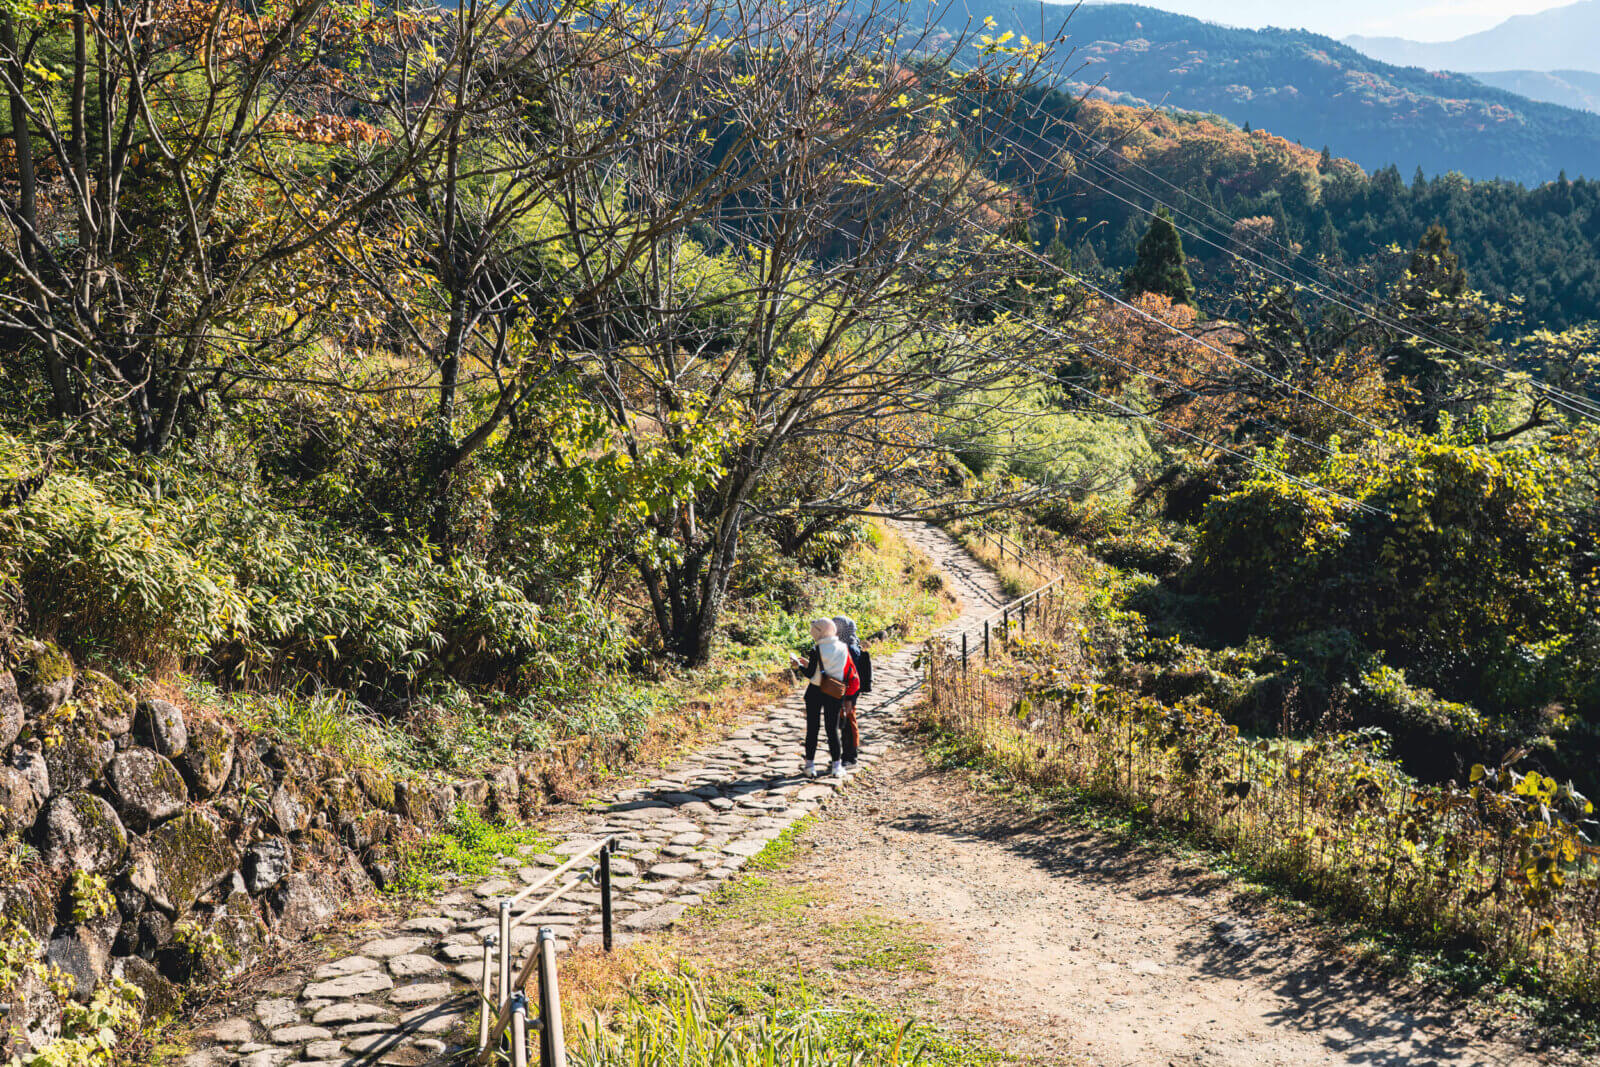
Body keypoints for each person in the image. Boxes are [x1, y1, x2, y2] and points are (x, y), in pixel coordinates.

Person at [788, 618, 856, 778]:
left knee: (813, 729)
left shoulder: (817, 648)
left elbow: (811, 673)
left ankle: (810, 766)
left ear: (819, 631)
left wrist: (799, 666)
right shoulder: (843, 648)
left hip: (815, 692)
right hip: (834, 692)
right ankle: (837, 767)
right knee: (832, 730)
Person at [832, 615, 872, 769]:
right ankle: (846, 756)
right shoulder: (849, 645)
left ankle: (851, 757)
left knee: (849, 723)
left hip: (849, 692)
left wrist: (848, 698)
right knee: (845, 722)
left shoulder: (850, 649)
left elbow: (850, 675)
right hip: (846, 691)